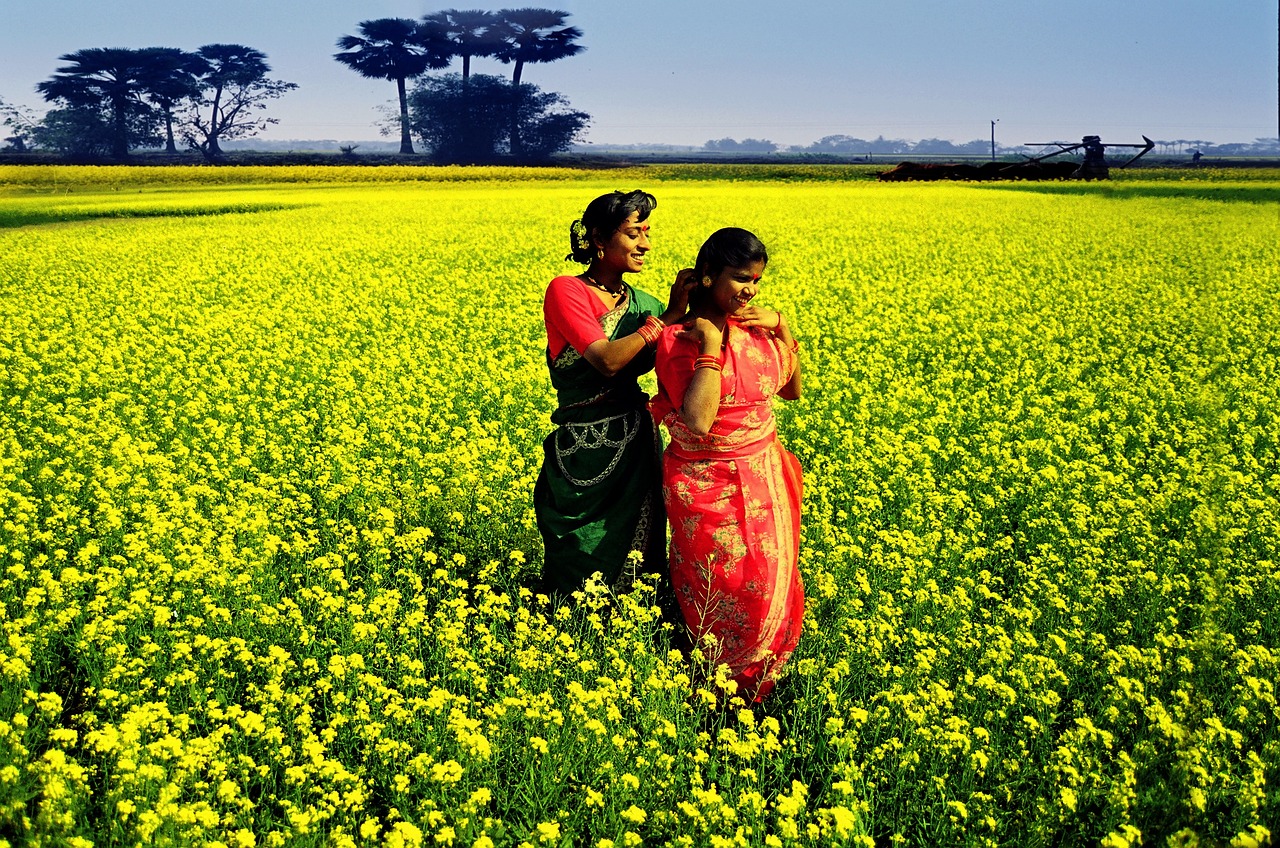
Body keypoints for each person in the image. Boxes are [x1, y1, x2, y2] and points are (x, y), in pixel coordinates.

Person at [651, 227, 804, 702]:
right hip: (706, 483)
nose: (750, 291)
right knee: (726, 585)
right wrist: (711, 348)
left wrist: (782, 327)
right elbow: (697, 420)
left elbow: (792, 390)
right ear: (708, 277)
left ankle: (763, 689)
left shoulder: (757, 330)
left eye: (756, 280)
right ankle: (719, 693)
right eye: (740, 278)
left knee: (769, 582)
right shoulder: (680, 338)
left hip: (765, 478)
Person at [534, 190, 693, 597]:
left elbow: (691, 339)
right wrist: (668, 319)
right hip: (582, 447)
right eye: (634, 233)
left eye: (647, 232)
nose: (646, 244)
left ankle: (634, 627)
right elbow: (605, 360)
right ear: (599, 240)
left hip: (635, 442)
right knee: (578, 548)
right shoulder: (567, 291)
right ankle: (573, 632)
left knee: (642, 553)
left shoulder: (644, 304)